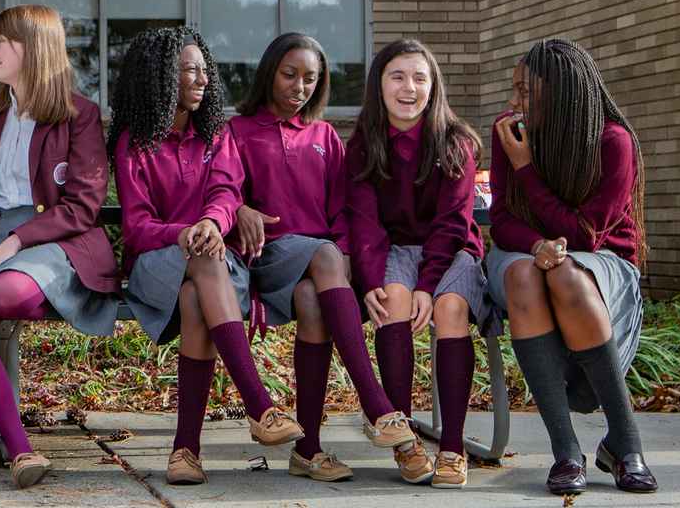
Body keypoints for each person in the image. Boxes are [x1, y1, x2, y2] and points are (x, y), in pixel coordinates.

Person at [108, 27, 305, 486]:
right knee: (201, 259)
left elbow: (226, 191)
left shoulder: (216, 134)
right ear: (161, 76)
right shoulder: (135, 144)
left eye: (204, 70)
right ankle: (258, 404)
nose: (201, 79)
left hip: (214, 266)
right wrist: (186, 232)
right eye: (188, 71)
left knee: (197, 295)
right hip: (155, 265)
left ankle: (186, 452)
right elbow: (137, 227)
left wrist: (213, 223)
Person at [225, 32, 416, 483]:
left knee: (314, 301)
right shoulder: (238, 131)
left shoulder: (325, 136)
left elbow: (340, 210)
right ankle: (376, 405)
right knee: (325, 254)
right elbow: (222, 190)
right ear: (270, 74)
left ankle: (307, 449)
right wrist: (240, 209)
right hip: (268, 257)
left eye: (310, 79)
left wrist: (344, 251)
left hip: (318, 265)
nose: (300, 87)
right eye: (289, 75)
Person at [0, 4, 118, 489]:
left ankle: (41, 288)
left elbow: (83, 205)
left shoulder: (79, 115)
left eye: (2, 41)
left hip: (57, 237)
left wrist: (16, 242)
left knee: (7, 293)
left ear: (33, 48)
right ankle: (21, 450)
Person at [488, 39, 656, 495]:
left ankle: (625, 442)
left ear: (559, 92)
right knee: (524, 274)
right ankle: (566, 451)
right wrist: (537, 244)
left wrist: (526, 168)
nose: (514, 102)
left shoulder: (613, 142)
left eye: (525, 91)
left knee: (565, 272)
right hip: (523, 251)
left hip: (604, 262)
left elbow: (584, 236)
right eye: (514, 89)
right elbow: (501, 219)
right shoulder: (510, 131)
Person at [343, 38, 488, 488]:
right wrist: (370, 279)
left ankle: (453, 448)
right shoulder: (365, 145)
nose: (409, 88)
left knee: (450, 308)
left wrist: (428, 284)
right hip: (395, 249)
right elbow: (364, 221)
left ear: (433, 86)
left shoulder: (455, 142)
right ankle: (404, 440)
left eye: (419, 78)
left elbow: (452, 224)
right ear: (379, 85)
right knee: (392, 300)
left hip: (452, 250)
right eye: (398, 77)